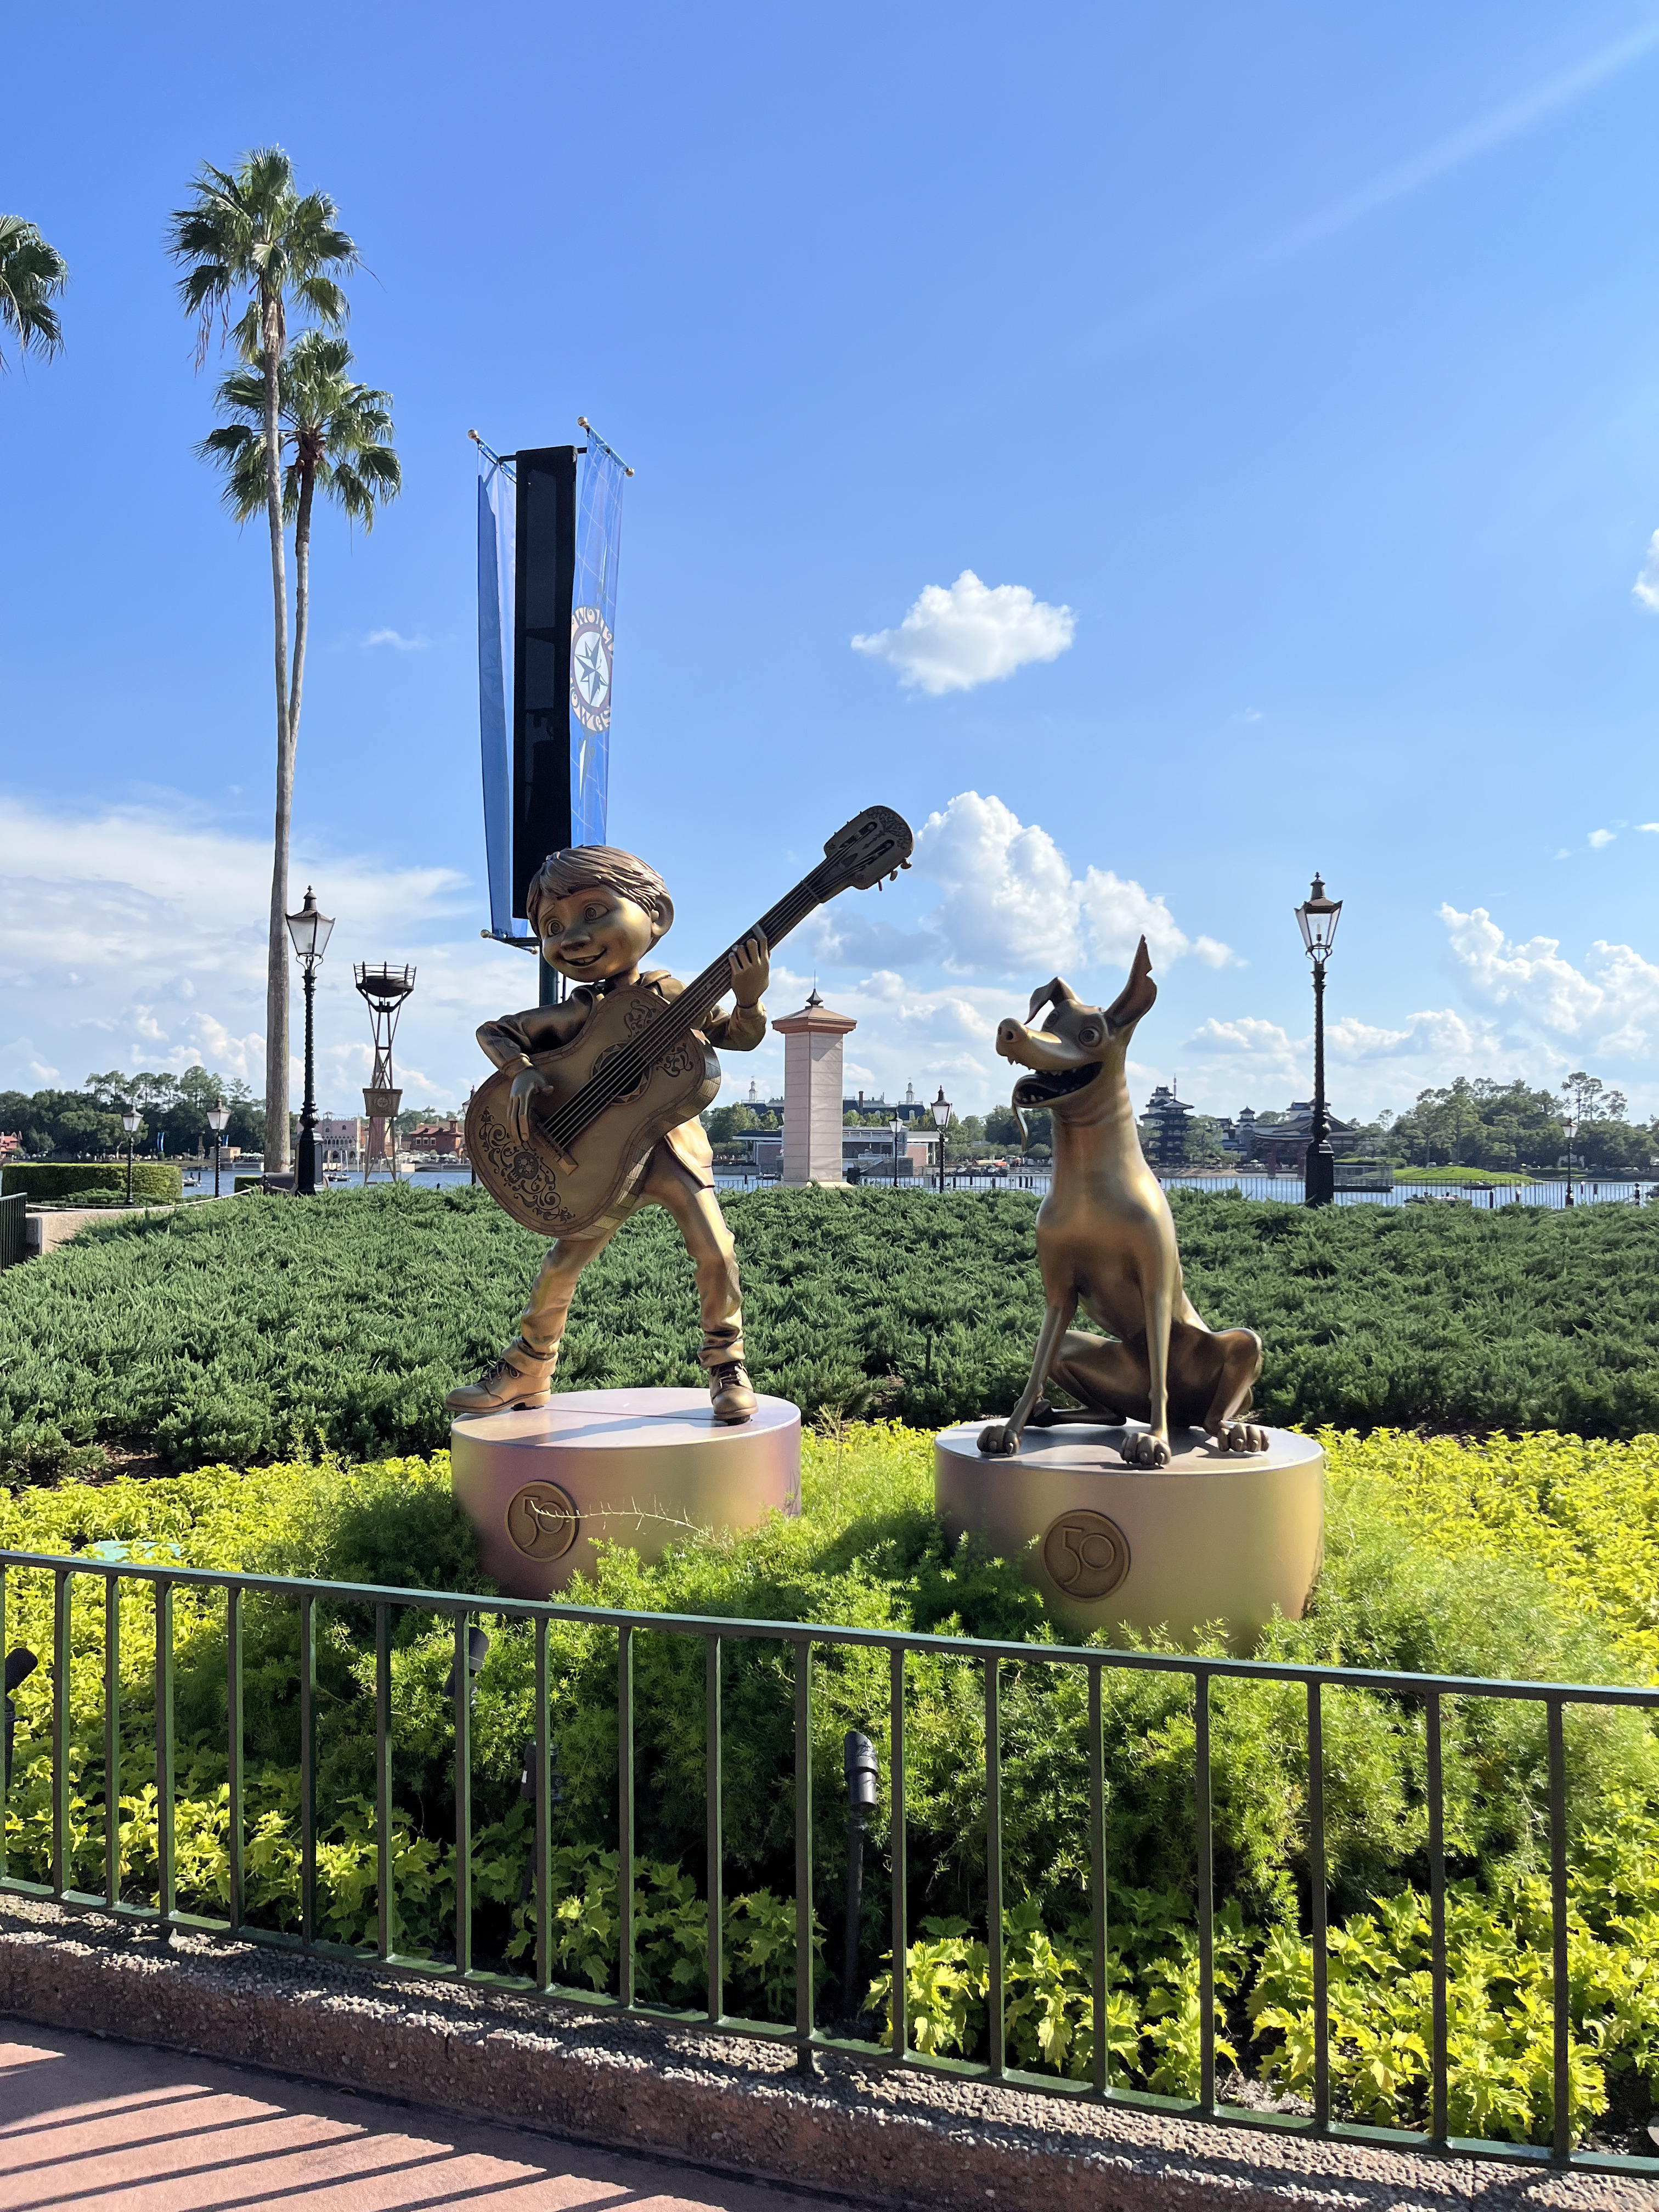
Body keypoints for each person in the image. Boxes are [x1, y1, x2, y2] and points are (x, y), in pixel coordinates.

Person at [447, 845, 769, 1424]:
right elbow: (495, 1031)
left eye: (596, 912)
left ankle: (727, 1364)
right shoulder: (577, 1014)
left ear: (658, 916)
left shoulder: (673, 998)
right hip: (591, 1159)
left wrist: (749, 999)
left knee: (715, 1249)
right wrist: (522, 1073)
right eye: (553, 927)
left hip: (670, 1150)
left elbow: (735, 1036)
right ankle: (529, 1367)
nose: (572, 937)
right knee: (560, 1267)